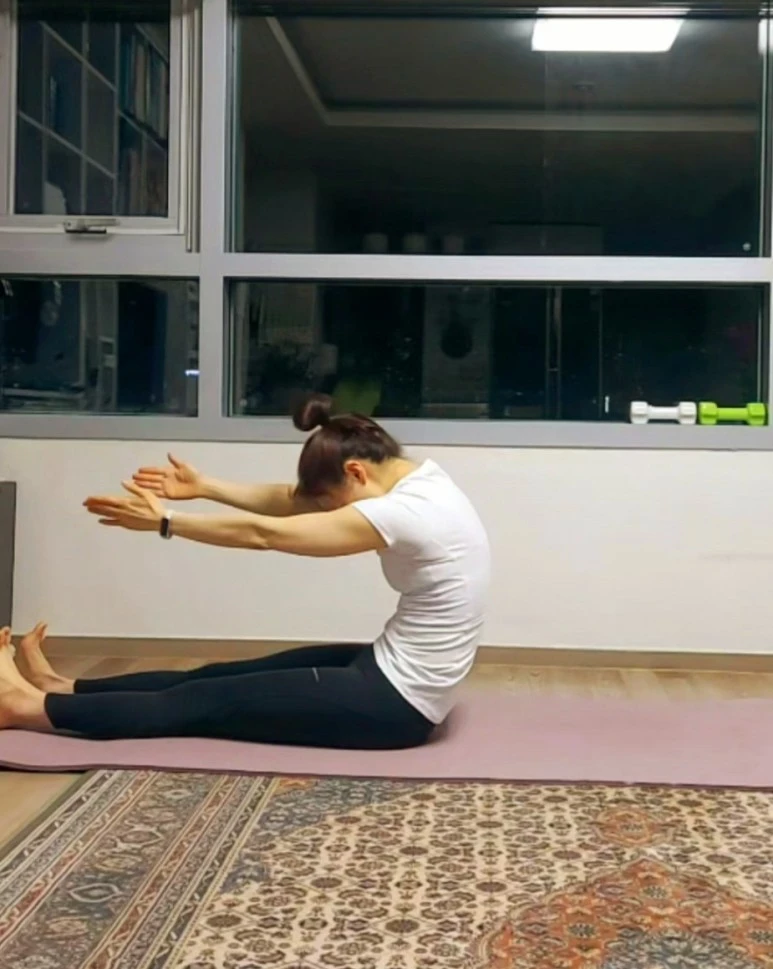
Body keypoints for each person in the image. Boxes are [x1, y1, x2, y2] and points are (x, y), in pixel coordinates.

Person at [0, 395, 490, 749]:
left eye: (331, 503)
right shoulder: (423, 479)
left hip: (395, 705)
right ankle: (63, 688)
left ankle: (26, 709)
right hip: (390, 670)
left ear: (356, 472)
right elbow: (292, 502)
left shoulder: (406, 512)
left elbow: (265, 534)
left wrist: (167, 521)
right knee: (215, 676)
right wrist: (205, 487)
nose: (327, 512)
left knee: (201, 701)